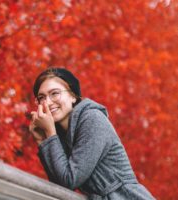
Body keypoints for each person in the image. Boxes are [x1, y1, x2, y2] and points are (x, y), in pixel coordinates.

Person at [29, 67, 155, 200]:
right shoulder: (62, 134)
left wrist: (50, 133)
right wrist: (42, 141)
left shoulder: (92, 119)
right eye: (41, 97)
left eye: (54, 93)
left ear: (73, 96)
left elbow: (69, 179)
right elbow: (60, 184)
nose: (47, 102)